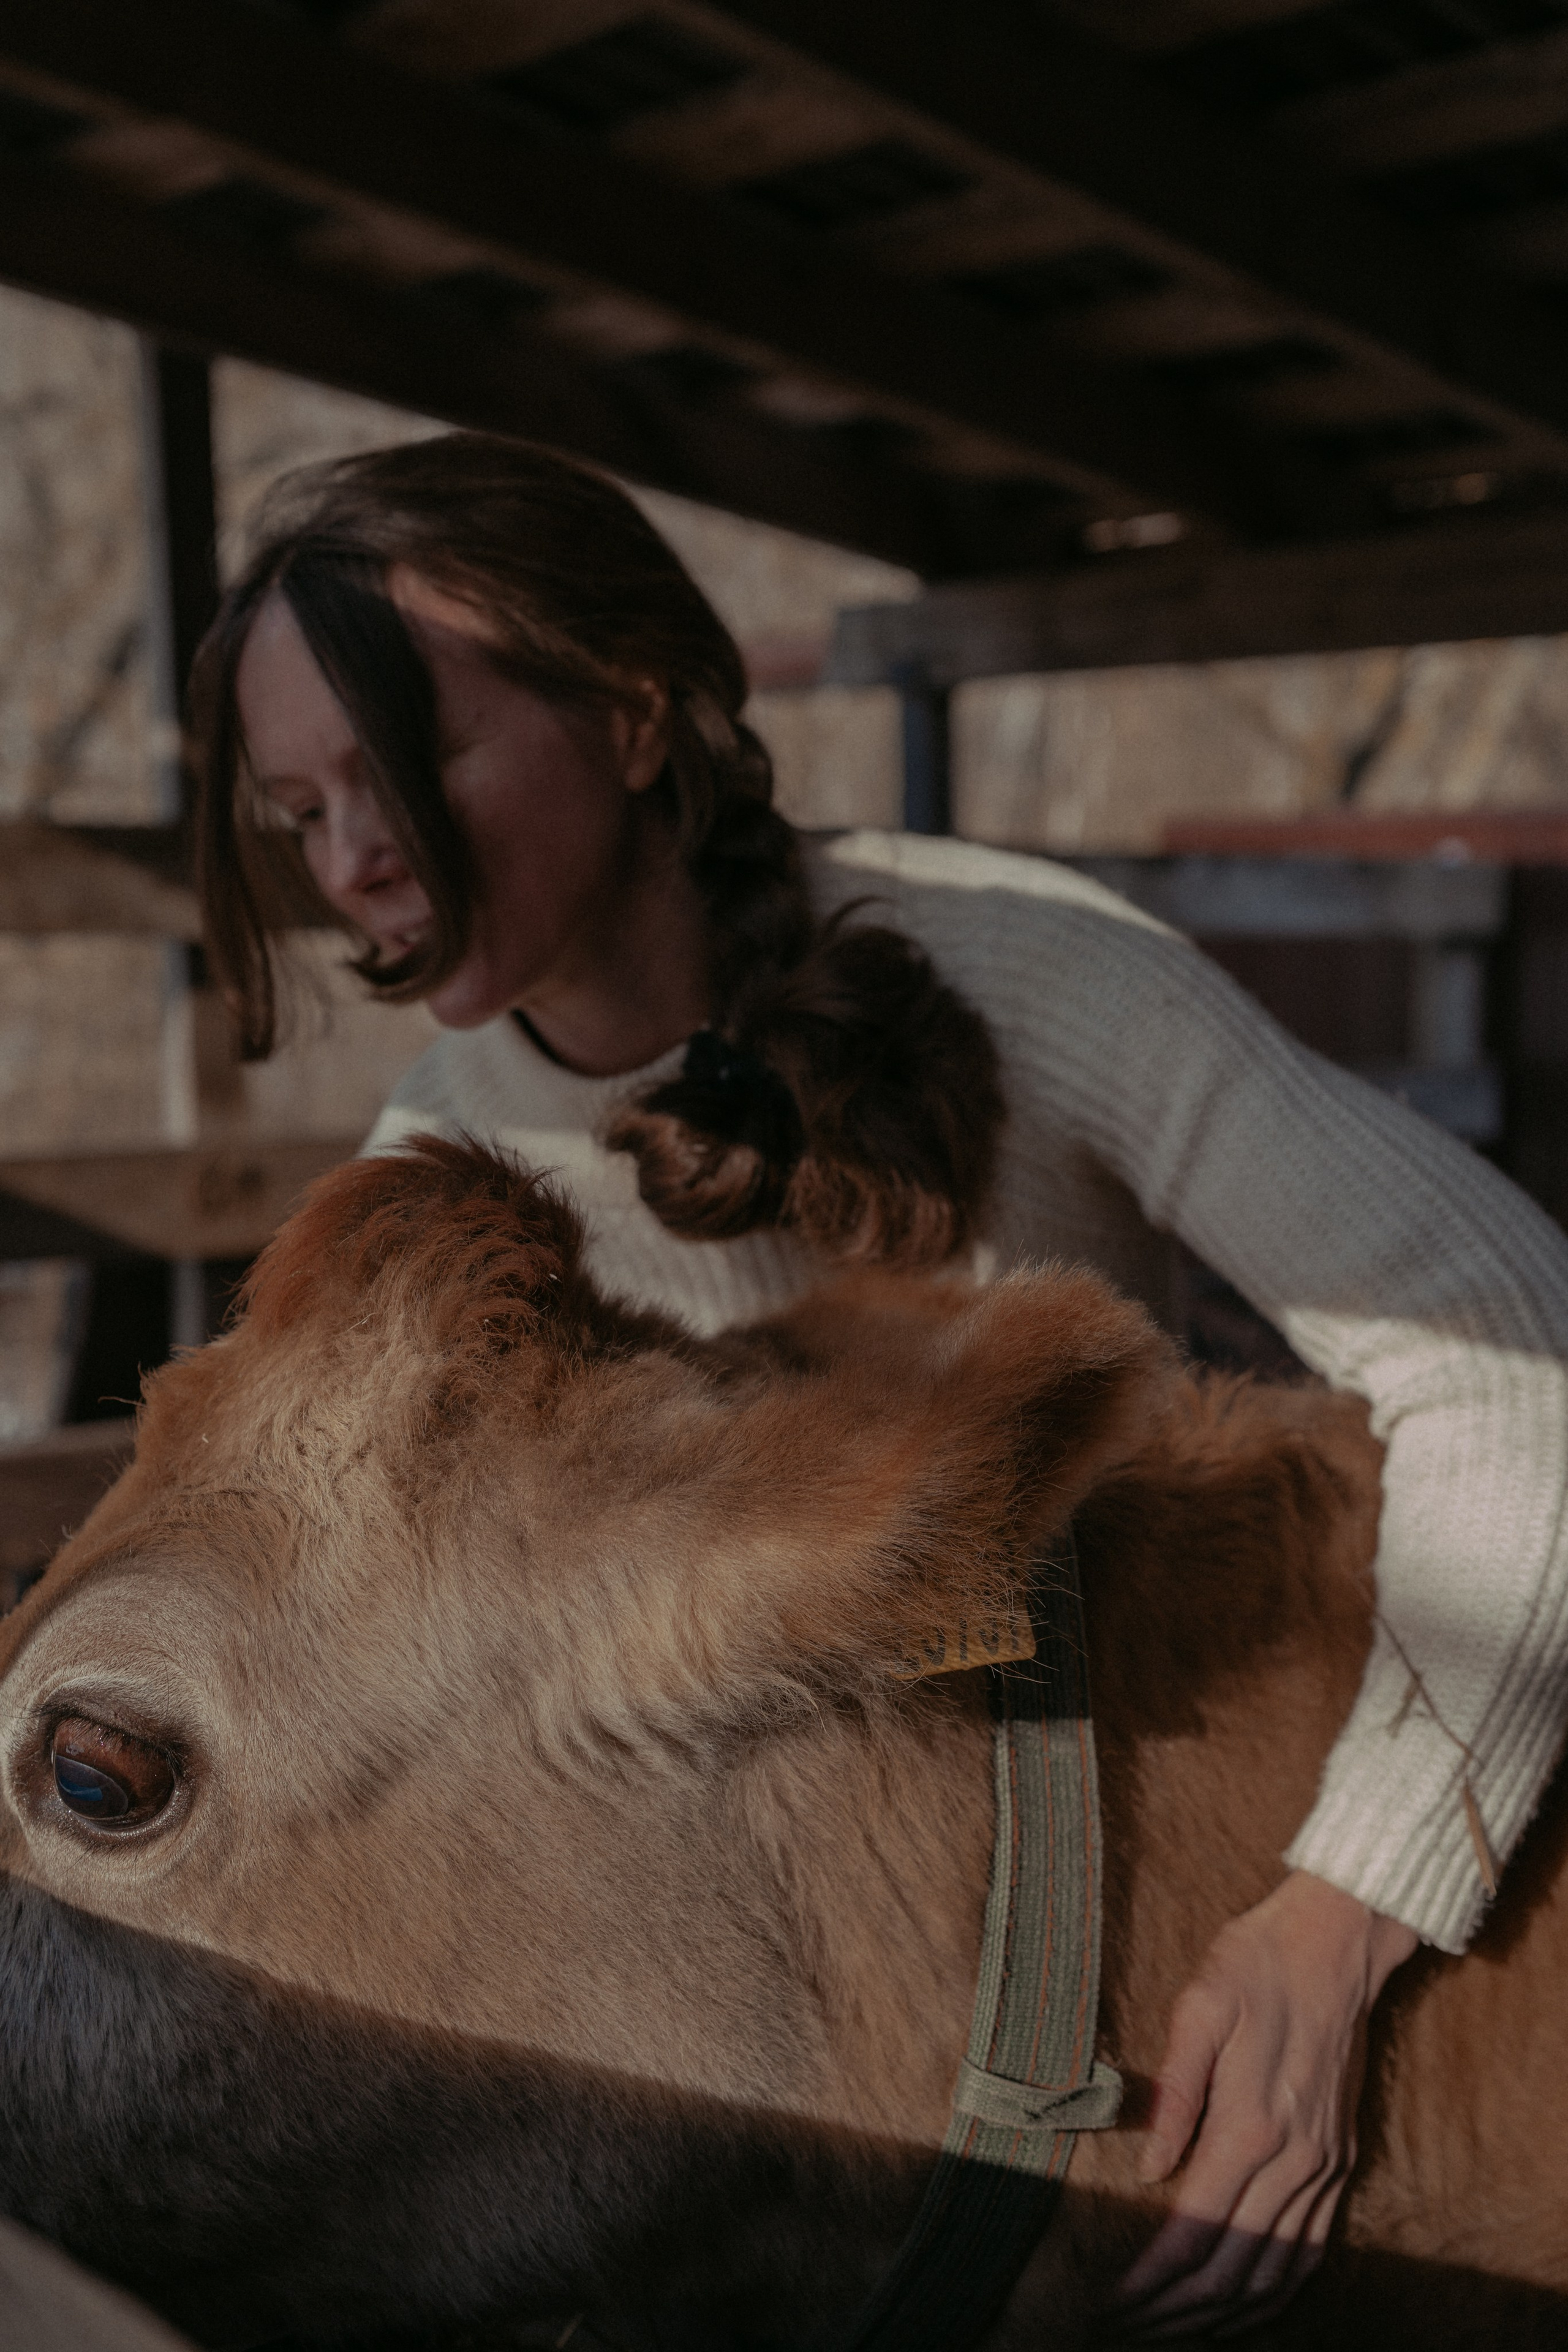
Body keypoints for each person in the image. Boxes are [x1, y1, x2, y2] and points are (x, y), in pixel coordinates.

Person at [192, 432, 1568, 2335]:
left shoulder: (1041, 971)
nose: (353, 853)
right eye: (301, 805)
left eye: (409, 762)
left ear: (636, 714)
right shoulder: (436, 1176)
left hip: (1137, 1913)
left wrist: (1343, 1919)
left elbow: (1516, 1351)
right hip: (783, 2050)